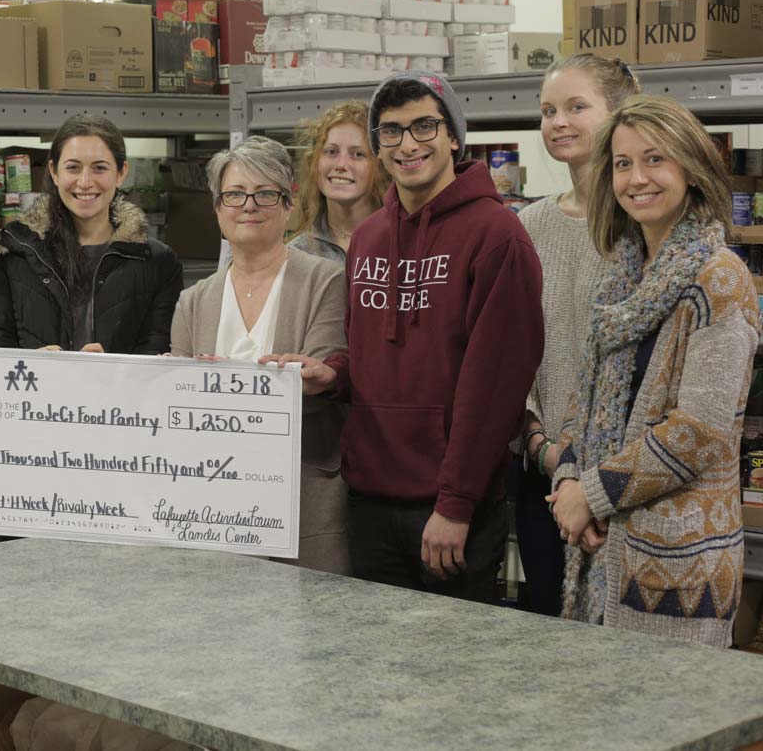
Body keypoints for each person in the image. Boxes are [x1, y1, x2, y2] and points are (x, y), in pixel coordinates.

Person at [266, 71, 543, 602]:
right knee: (372, 669)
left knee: (447, 674)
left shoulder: (497, 235)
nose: (407, 144)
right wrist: (332, 375)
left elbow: (496, 386)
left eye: (424, 126)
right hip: (367, 499)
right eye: (391, 131)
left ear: (454, 136)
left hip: (447, 508)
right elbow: (367, 353)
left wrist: (456, 503)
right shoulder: (370, 238)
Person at [547, 95, 759, 647]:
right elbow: (584, 400)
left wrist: (589, 495)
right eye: (622, 164)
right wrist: (569, 477)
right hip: (600, 550)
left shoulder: (721, 280)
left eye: (655, 160)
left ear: (690, 169)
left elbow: (699, 432)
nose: (636, 178)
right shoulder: (620, 277)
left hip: (678, 569)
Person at [170, 136, 350, 574]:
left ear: (289, 206)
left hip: (303, 498)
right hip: (214, 502)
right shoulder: (192, 302)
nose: (248, 205)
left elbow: (323, 376)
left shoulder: (326, 282)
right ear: (217, 208)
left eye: (265, 193)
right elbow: (175, 407)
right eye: (234, 194)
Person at [510, 55, 640, 617]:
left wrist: (592, 479)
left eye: (576, 107)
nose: (558, 122)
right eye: (548, 111)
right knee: (547, 642)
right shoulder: (525, 227)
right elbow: (509, 351)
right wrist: (541, 447)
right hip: (541, 476)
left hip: (624, 483)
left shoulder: (643, 225)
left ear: (618, 112)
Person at [0, 114, 183, 354]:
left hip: (118, 391)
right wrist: (33, 363)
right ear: (54, 172)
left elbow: (158, 356)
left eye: (99, 168)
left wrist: (110, 370)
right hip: (38, 391)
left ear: (121, 173)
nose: (85, 182)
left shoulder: (158, 263)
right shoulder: (11, 254)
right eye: (73, 167)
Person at [289, 99, 388, 262]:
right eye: (331, 152)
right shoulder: (298, 254)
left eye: (357, 154)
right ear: (315, 161)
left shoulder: (401, 243)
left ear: (380, 165)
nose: (341, 165)